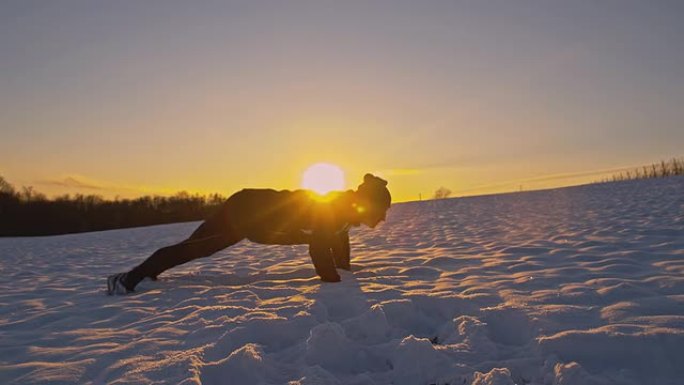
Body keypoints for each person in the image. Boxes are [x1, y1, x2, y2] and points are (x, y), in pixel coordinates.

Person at [107, 173, 391, 294]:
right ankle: (127, 280)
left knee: (195, 245)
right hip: (248, 213)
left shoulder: (344, 211)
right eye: (382, 211)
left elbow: (338, 239)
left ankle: (150, 270)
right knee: (200, 247)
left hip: (250, 208)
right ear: (367, 206)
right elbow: (319, 247)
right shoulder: (336, 209)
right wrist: (334, 281)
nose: (382, 218)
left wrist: (344, 268)